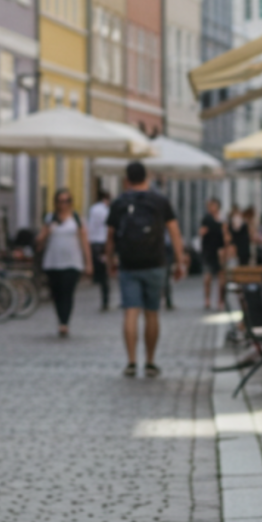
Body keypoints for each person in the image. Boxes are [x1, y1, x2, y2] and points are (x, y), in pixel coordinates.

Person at [103, 161, 184, 378]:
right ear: (146, 177)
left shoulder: (119, 202)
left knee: (130, 311)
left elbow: (110, 236)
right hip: (155, 262)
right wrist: (180, 261)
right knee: (152, 313)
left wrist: (110, 259)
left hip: (128, 264)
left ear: (127, 180)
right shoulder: (159, 201)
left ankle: (131, 361)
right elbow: (174, 232)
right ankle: (150, 361)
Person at [37, 189, 93, 337]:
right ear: (55, 202)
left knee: (67, 291)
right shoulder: (50, 218)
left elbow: (84, 241)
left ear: (71, 202)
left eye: (67, 201)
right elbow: (40, 241)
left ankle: (64, 322)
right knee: (56, 293)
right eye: (60, 201)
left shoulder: (76, 218)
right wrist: (47, 231)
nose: (63, 204)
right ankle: (60, 318)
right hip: (53, 261)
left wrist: (89, 263)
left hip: (72, 262)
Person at [199, 198, 229, 311]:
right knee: (208, 277)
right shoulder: (206, 219)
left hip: (220, 252)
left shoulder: (222, 219)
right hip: (208, 251)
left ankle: (220, 301)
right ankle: (207, 299)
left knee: (221, 278)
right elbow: (201, 232)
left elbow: (226, 236)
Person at [86, 190, 112, 311]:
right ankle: (105, 298)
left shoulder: (93, 209)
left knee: (102, 272)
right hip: (103, 242)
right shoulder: (105, 210)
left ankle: (104, 295)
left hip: (94, 241)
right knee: (105, 272)